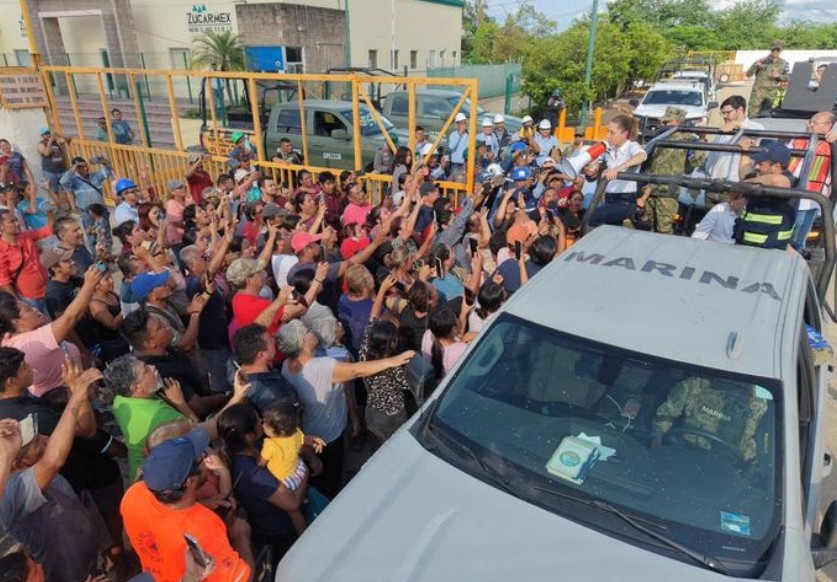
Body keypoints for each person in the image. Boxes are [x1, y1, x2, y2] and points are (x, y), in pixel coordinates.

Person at [278, 319, 415, 498]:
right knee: (331, 479)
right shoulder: (323, 367)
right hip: (328, 438)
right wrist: (393, 360)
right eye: (308, 331)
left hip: (311, 431)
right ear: (304, 341)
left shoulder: (286, 366)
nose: (312, 331)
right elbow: (357, 370)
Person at [0, 360, 107, 582]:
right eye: (36, 444)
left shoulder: (30, 472)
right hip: (69, 573)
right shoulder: (14, 490)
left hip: (86, 554)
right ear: (18, 464)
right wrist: (76, 397)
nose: (48, 441)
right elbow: (53, 461)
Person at [120, 425, 251, 582]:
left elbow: (166, 519)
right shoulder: (205, 527)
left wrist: (202, 504)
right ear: (190, 481)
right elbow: (243, 579)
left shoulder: (133, 494)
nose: (206, 457)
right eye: (202, 457)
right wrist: (241, 537)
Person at [218, 403, 306, 565]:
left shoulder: (244, 453)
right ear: (249, 436)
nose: (263, 422)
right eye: (258, 421)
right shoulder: (254, 474)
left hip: (264, 524)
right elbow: (292, 504)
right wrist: (303, 472)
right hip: (280, 531)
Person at [0, 266, 100, 397]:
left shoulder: (10, 337)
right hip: (67, 397)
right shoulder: (33, 342)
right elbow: (69, 318)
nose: (35, 310)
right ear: (15, 321)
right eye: (29, 310)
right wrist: (89, 285)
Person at [103, 353, 196, 481]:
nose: (153, 367)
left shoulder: (120, 400)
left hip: (140, 473)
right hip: (161, 477)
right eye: (146, 370)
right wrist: (180, 403)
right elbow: (198, 430)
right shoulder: (160, 415)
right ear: (136, 388)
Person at [652, 376, 768, 462]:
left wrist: (747, 459)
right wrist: (659, 441)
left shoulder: (757, 404)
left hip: (726, 468)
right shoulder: (694, 386)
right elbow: (664, 417)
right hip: (684, 455)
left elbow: (760, 448)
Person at [635, 106, 705, 234]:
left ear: (678, 122)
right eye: (664, 122)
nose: (664, 124)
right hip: (649, 188)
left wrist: (701, 141)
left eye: (667, 122)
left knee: (664, 228)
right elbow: (647, 159)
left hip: (668, 191)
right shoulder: (659, 136)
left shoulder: (688, 139)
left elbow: (696, 161)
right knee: (645, 226)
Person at [259, 401, 325, 534]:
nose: (262, 424)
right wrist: (314, 439)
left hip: (286, 480)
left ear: (280, 430)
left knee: (293, 512)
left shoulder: (270, 445)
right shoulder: (296, 432)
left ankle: (303, 535)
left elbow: (260, 463)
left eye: (265, 424)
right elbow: (305, 439)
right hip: (299, 470)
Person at [703, 96, 764, 208]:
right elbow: (711, 157)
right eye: (722, 113)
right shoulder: (723, 131)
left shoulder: (751, 128)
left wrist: (737, 124)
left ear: (740, 110)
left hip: (734, 188)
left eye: (728, 112)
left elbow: (759, 130)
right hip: (713, 186)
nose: (725, 116)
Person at [787, 111, 835, 253]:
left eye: (814, 123)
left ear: (828, 126)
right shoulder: (798, 140)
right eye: (810, 122)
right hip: (790, 194)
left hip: (812, 199)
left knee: (798, 239)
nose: (809, 125)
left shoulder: (832, 144)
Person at [735, 140, 796, 249]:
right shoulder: (759, 177)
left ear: (776, 166)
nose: (757, 167)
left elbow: (778, 181)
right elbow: (745, 174)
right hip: (745, 244)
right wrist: (745, 153)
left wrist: (743, 184)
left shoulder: (789, 179)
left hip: (771, 249)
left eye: (761, 164)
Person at [588, 115, 647, 227]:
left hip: (625, 201)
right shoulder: (611, 150)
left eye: (612, 132)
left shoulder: (631, 146)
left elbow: (642, 156)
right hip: (609, 199)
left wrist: (619, 168)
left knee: (592, 217)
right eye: (608, 132)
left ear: (624, 134)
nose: (608, 136)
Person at [233, 323, 300, 413]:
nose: (274, 339)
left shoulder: (238, 376)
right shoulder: (274, 394)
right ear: (261, 354)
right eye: (270, 340)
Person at [0, 209, 54, 312]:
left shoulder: (26, 236)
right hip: (27, 297)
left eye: (16, 220)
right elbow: (4, 281)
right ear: (1, 227)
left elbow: (48, 230)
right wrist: (17, 303)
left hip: (45, 289)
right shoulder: (1, 250)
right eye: (12, 222)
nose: (17, 223)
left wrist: (50, 214)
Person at [59, 156, 111, 229]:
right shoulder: (74, 180)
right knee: (92, 237)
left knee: (106, 235)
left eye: (86, 166)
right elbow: (63, 181)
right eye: (82, 167)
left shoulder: (96, 176)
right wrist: (74, 168)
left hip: (101, 211)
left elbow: (108, 171)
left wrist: (103, 161)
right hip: (87, 214)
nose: (86, 168)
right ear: (76, 169)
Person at [746, 42, 789, 118]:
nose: (775, 52)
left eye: (778, 50)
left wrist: (779, 76)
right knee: (752, 115)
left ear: (781, 51)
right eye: (773, 50)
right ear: (770, 50)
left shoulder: (784, 63)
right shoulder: (762, 61)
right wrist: (755, 65)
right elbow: (748, 74)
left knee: (766, 116)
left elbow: (787, 77)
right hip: (758, 92)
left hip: (771, 93)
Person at [35, 127, 70, 208]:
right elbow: (46, 153)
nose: (48, 135)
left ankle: (73, 208)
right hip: (49, 171)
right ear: (42, 135)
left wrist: (59, 135)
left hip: (61, 170)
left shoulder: (56, 141)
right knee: (54, 191)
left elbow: (68, 140)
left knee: (68, 189)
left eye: (48, 133)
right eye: (45, 134)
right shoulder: (41, 144)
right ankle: (60, 209)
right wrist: (50, 141)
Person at [448, 112, 469, 179]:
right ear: (457, 124)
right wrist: (459, 134)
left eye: (464, 123)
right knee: (454, 181)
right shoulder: (453, 135)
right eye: (461, 123)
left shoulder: (468, 135)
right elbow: (451, 147)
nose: (463, 125)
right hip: (455, 164)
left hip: (465, 164)